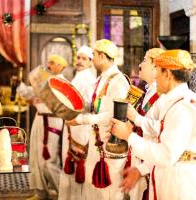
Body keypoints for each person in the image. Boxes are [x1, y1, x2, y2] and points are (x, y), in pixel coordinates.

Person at [111, 49, 196, 200]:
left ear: (168, 74)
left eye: (157, 70)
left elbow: (166, 154)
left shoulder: (183, 107)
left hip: (180, 185)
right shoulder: (175, 102)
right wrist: (141, 169)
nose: (155, 75)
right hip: (172, 179)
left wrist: (129, 136)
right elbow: (169, 147)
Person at [66, 39, 130, 200]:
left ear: (102, 56)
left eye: (93, 55)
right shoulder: (101, 79)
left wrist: (82, 120)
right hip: (96, 140)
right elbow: (94, 105)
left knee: (109, 192)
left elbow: (113, 115)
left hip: (110, 144)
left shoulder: (119, 81)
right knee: (92, 189)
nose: (92, 58)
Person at [17, 55, 68, 200]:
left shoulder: (63, 83)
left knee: (49, 160)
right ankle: (40, 192)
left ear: (61, 66)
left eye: (52, 63)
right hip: (39, 119)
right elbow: (29, 92)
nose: (48, 65)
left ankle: (62, 194)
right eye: (48, 62)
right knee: (35, 157)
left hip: (53, 122)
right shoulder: (46, 81)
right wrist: (18, 85)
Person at [122, 48, 165, 200]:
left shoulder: (164, 94)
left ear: (156, 67)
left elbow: (161, 128)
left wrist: (136, 118)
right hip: (139, 152)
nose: (140, 65)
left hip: (151, 158)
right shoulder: (148, 91)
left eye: (145, 60)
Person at [58, 45, 96, 200]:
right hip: (73, 124)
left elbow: (89, 105)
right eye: (78, 57)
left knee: (79, 167)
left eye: (84, 58)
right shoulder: (79, 75)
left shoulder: (88, 78)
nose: (80, 61)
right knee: (70, 166)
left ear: (91, 62)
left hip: (82, 127)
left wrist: (71, 104)